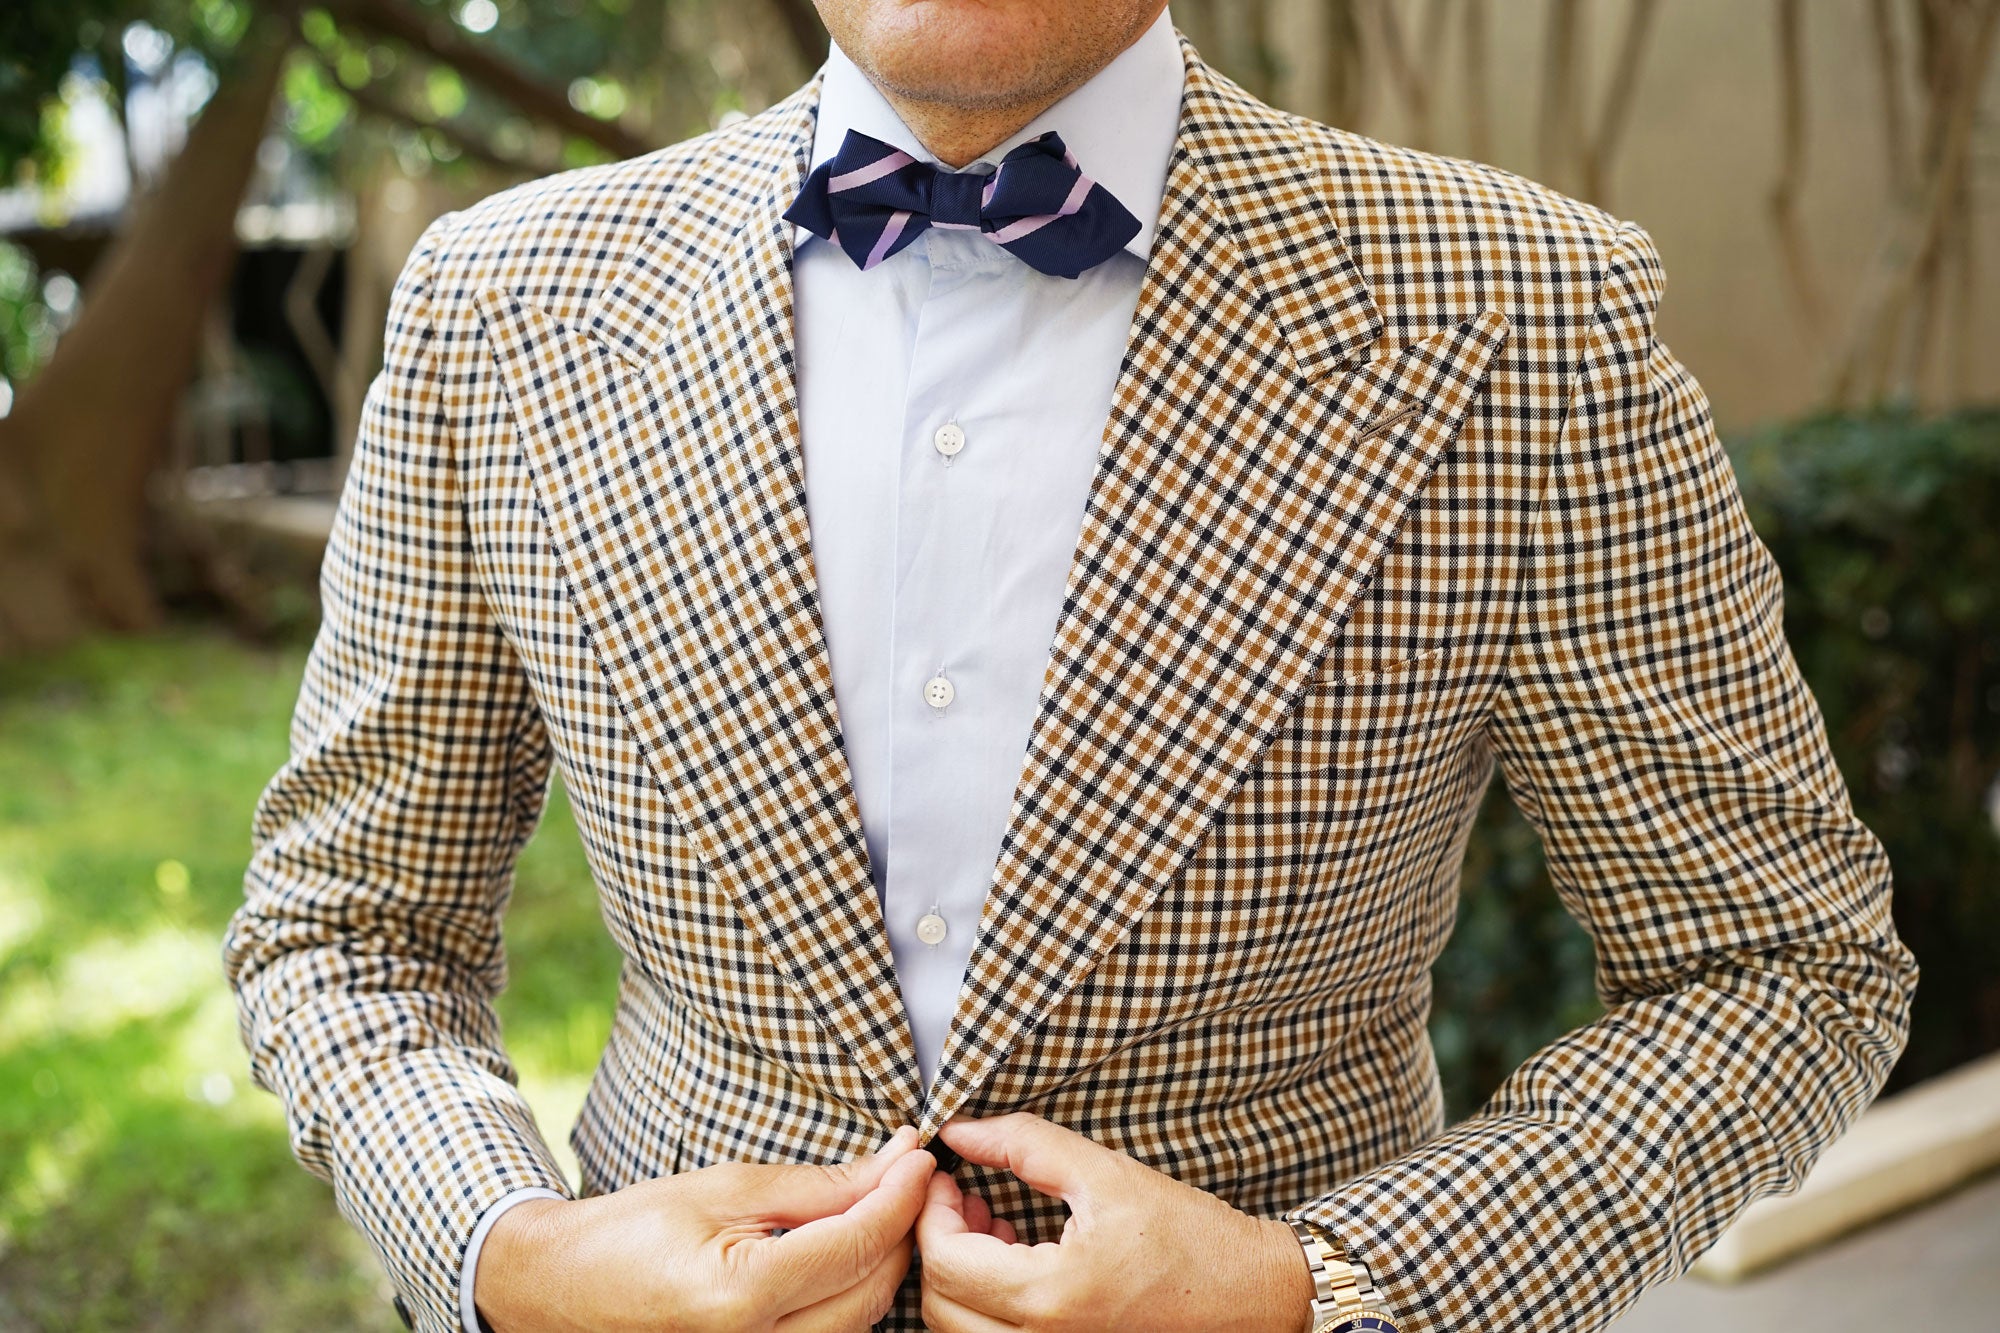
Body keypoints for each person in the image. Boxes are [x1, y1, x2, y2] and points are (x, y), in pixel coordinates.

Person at [223, 2, 1917, 1330]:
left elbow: (1784, 966)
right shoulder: (503, 309)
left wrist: (1322, 1290)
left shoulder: (1526, 322)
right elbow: (346, 929)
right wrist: (507, 1253)